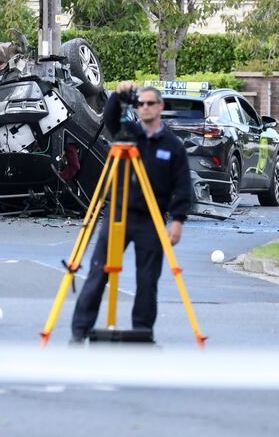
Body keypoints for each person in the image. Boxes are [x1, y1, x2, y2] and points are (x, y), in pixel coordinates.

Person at [70, 82, 192, 343]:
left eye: (150, 103)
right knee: (98, 271)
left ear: (160, 107)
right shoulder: (129, 135)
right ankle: (79, 331)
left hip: (151, 219)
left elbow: (182, 187)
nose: (145, 107)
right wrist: (118, 95)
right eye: (141, 104)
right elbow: (110, 117)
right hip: (118, 214)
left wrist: (178, 221)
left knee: (147, 279)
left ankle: (142, 331)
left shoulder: (172, 145)